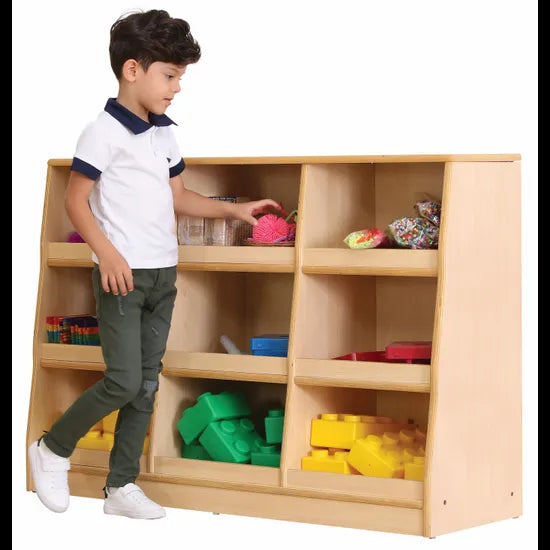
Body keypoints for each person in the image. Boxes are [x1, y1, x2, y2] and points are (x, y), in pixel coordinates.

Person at [28, 8, 280, 520]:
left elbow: (179, 197)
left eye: (180, 77)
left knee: (145, 383)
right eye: (169, 75)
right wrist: (108, 254)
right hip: (124, 276)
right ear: (132, 70)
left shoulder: (164, 133)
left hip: (164, 273)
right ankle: (52, 448)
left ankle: (121, 485)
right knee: (123, 381)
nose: (176, 88)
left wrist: (233, 210)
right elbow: (76, 201)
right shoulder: (101, 133)